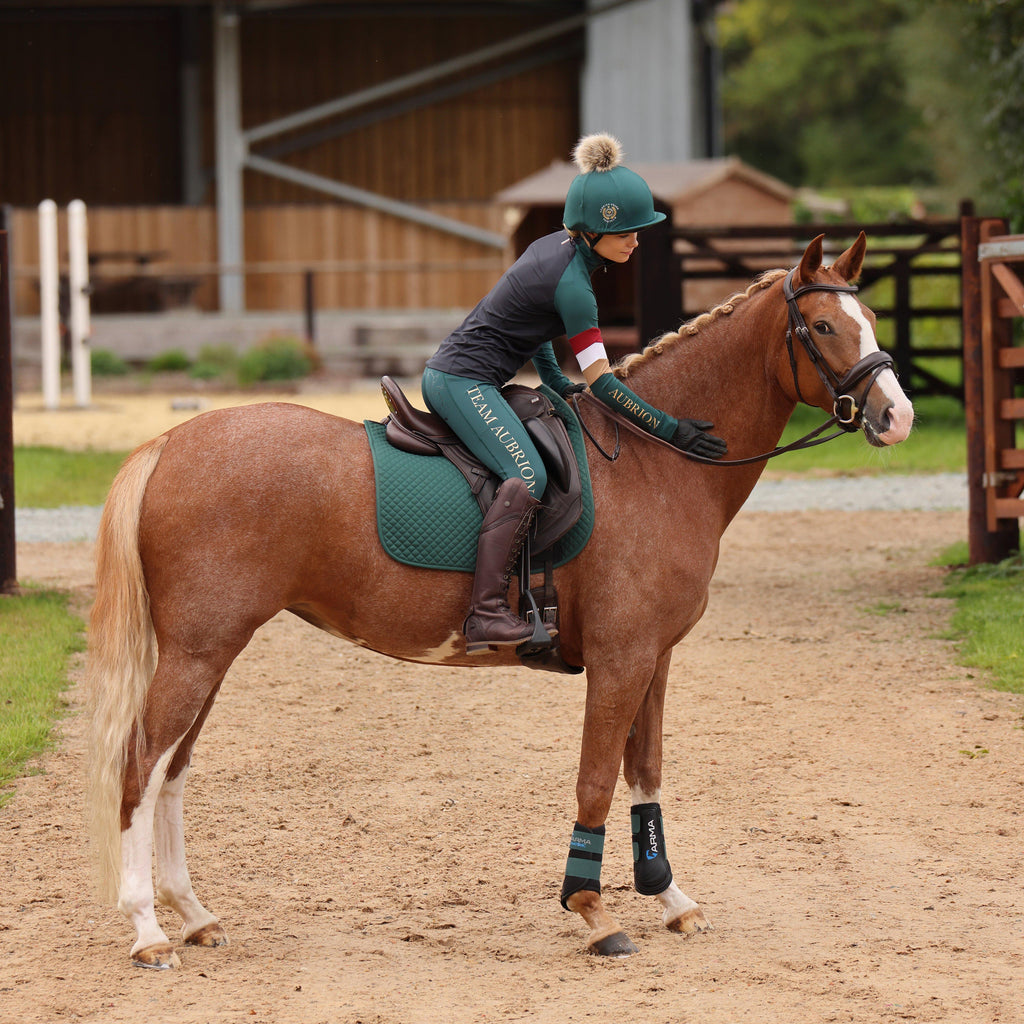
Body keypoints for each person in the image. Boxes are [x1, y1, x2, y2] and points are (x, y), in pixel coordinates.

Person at [422, 133, 727, 653]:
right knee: (528, 473)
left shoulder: (555, 250)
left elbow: (535, 325)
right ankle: (486, 611)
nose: (636, 240)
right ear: (591, 233)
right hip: (461, 382)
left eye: (638, 230)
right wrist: (671, 430)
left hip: (472, 376)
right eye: (626, 231)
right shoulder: (575, 286)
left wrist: (554, 379)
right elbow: (605, 385)